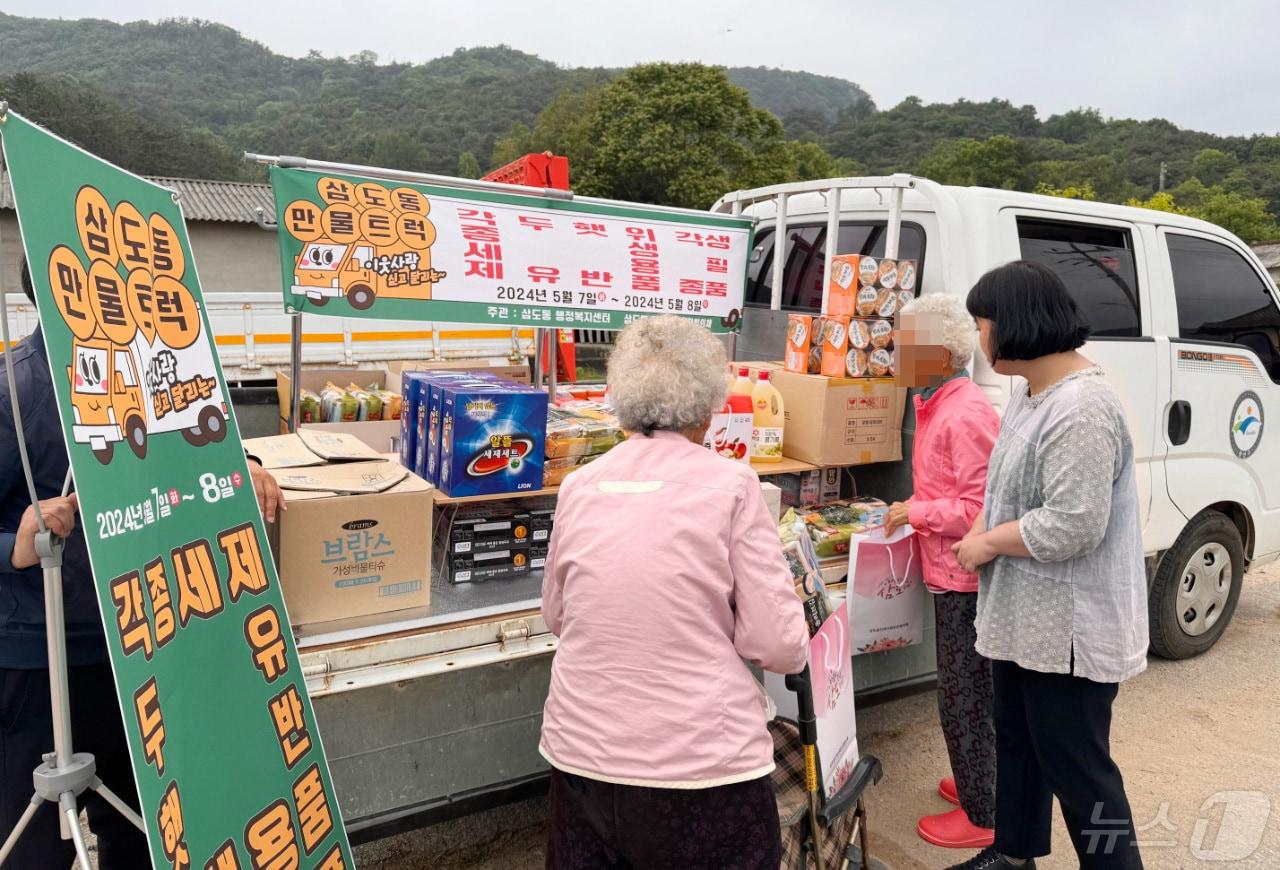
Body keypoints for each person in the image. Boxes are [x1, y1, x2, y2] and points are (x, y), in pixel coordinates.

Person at [0, 260, 283, 867]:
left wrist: (247, 465)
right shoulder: (14, 391)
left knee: (142, 823)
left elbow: (198, 446)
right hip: (36, 658)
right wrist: (17, 541)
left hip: (136, 647)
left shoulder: (153, 372)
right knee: (30, 841)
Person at [539, 315, 808, 869]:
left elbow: (558, 615)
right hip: (702, 768)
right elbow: (780, 645)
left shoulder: (580, 485)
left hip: (581, 760)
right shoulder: (733, 488)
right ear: (709, 410)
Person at [946, 261, 1148, 870]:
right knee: (1019, 744)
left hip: (1070, 631)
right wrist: (983, 526)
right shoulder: (1028, 392)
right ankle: (1013, 854)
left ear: (1015, 324)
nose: (980, 339)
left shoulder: (1082, 407)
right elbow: (1002, 487)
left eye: (983, 323)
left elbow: (1074, 524)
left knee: (1082, 770)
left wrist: (986, 544)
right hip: (1022, 618)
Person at [883, 294, 1000, 851]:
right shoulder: (935, 401)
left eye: (909, 345)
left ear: (945, 353)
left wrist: (916, 512)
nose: (897, 353)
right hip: (948, 572)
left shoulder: (965, 412)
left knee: (964, 696)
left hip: (968, 579)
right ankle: (981, 782)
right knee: (965, 690)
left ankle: (985, 811)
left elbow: (981, 509)